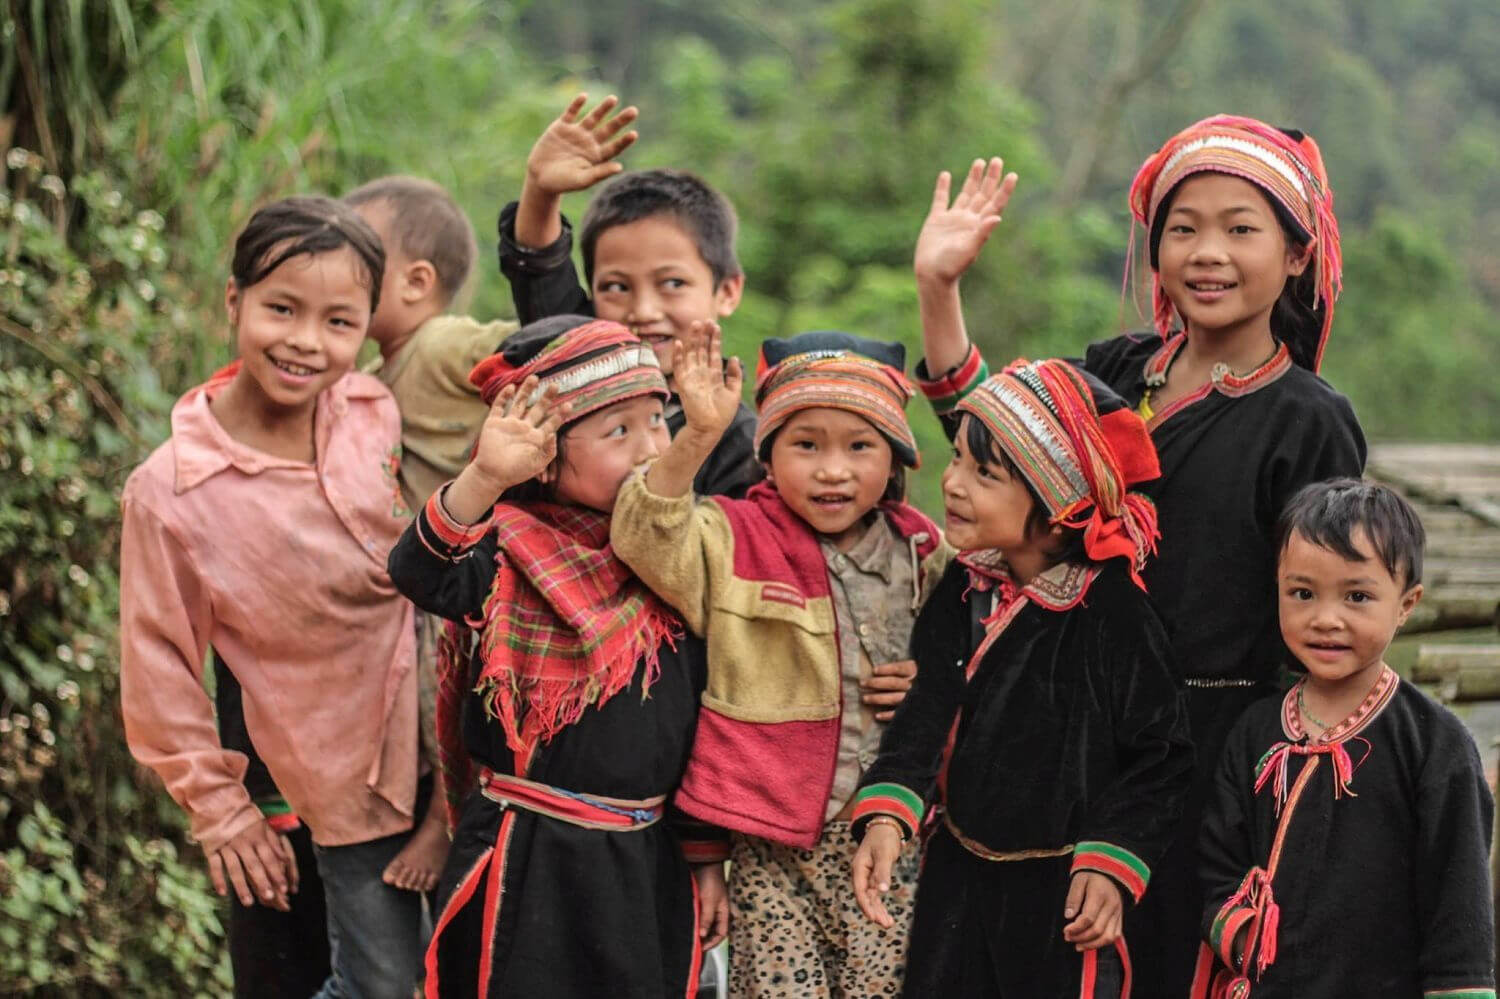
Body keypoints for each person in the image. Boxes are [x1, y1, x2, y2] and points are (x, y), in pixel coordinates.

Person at [909, 115, 1366, 995]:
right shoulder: (1121, 366)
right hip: (1057, 724)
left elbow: (1320, 610)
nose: (1208, 252)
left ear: (1298, 254)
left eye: (1242, 227)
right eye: (1184, 228)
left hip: (1200, 748)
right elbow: (1002, 461)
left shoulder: (1307, 418)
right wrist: (938, 288)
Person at [119, 196, 425, 998]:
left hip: (448, 761)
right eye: (281, 308)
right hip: (340, 780)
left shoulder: (372, 410)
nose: (304, 341)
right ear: (234, 302)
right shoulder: (172, 491)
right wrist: (223, 811)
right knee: (381, 985)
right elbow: (159, 666)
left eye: (337, 321)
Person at [386, 316, 729, 998]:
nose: (648, 447)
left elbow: (703, 722)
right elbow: (419, 572)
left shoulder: (680, 556)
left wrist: (705, 857)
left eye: (657, 422)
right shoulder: (507, 548)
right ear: (545, 454)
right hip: (526, 852)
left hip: (645, 860)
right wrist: (484, 476)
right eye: (617, 431)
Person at [611, 325, 951, 998]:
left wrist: (928, 682)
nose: (833, 469)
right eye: (805, 444)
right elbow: (645, 533)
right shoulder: (731, 536)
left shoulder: (923, 553)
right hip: (772, 849)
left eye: (860, 446)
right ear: (767, 456)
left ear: (897, 459)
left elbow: (973, 661)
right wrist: (699, 436)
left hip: (895, 839)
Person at [849, 359, 1194, 998]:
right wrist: (889, 813)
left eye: (986, 473)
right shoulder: (965, 583)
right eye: (955, 459)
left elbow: (1161, 757)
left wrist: (1112, 860)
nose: (952, 483)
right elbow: (928, 705)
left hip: (1062, 895)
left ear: (1060, 503)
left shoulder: (1113, 613)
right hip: (957, 872)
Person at [1193, 479, 1495, 997]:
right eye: (1302, 594)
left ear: (1406, 604)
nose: (1325, 619)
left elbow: (1458, 902)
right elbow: (1220, 860)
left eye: (1357, 596)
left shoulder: (1434, 745)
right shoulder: (1254, 732)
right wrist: (1244, 936)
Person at [343, 175, 521, 895]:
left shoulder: (441, 343)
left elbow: (518, 346)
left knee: (445, 687)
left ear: (416, 281)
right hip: (427, 569)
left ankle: (442, 820)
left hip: (472, 566)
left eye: (358, 262)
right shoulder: (373, 369)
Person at [497, 93, 760, 497]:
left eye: (672, 283)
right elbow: (539, 273)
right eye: (616, 287)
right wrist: (540, 190)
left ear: (726, 291)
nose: (642, 310)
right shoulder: (580, 361)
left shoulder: (739, 441)